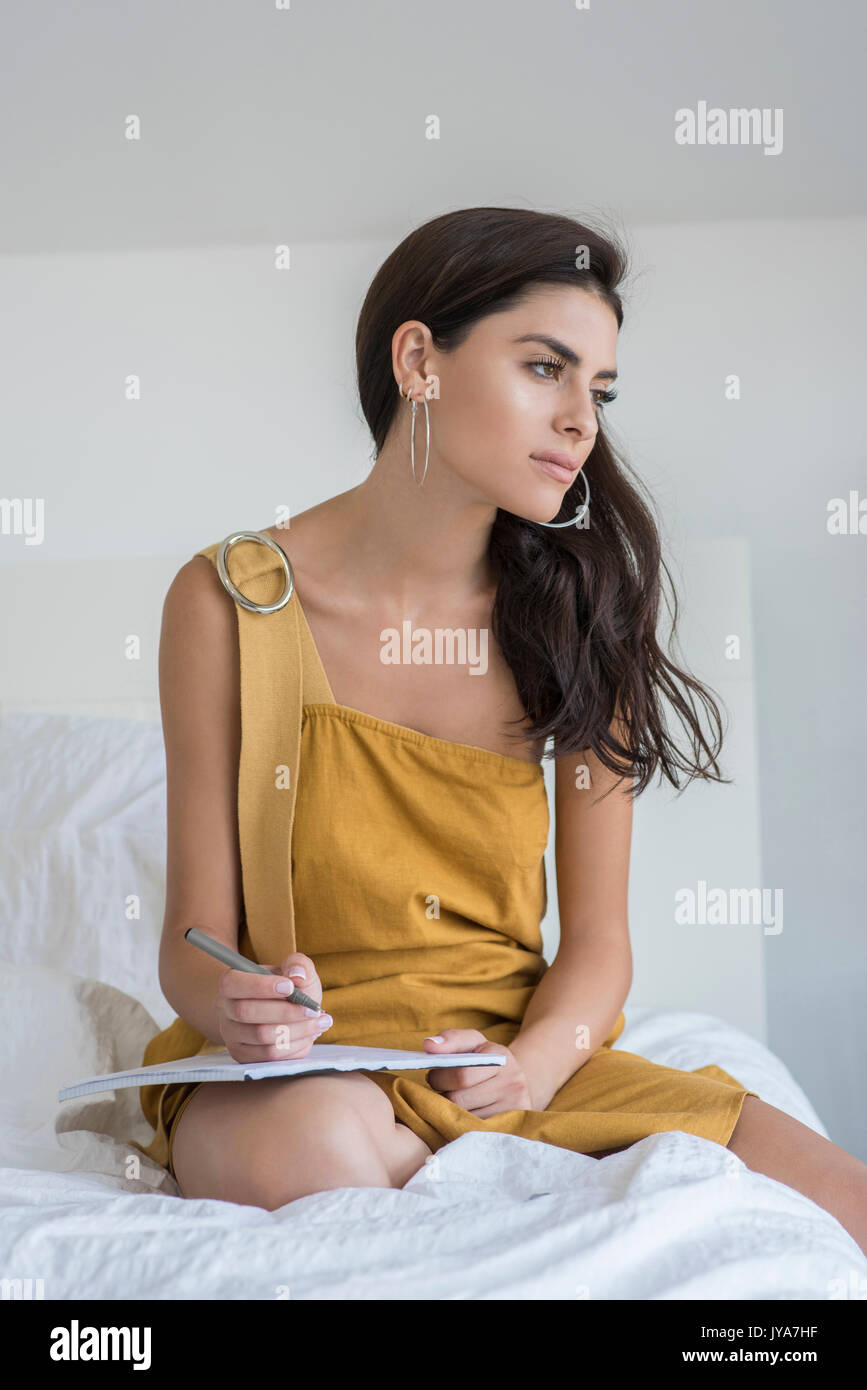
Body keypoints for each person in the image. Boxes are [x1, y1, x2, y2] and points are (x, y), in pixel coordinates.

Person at [139, 207, 867, 1254]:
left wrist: (529, 1067)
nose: (582, 420)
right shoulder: (228, 603)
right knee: (323, 1156)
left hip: (515, 1061)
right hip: (305, 1075)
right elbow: (190, 942)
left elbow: (601, 946)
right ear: (418, 361)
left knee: (841, 1206)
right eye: (545, 369)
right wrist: (238, 1002)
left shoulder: (580, 613)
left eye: (600, 391)